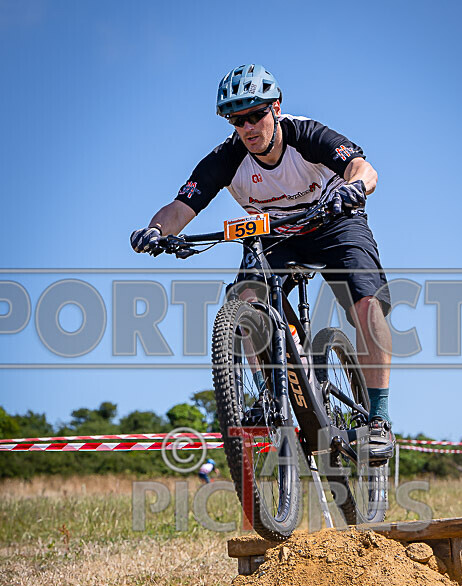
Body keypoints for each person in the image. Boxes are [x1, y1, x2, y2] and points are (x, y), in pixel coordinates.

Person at [131, 64, 393, 461]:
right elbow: (180, 207)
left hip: (334, 220)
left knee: (366, 304)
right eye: (238, 120)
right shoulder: (227, 158)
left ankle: (378, 419)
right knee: (246, 297)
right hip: (276, 234)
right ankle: (272, 394)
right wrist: (155, 231)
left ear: (276, 108)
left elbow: (363, 168)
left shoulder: (307, 135)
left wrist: (355, 187)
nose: (248, 127)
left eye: (256, 114)